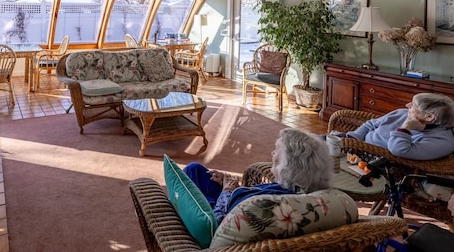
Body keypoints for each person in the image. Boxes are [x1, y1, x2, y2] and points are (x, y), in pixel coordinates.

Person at [183, 127, 333, 223]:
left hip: (218, 213)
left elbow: (218, 222)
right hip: (233, 201)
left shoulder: (261, 204)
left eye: (277, 150)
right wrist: (230, 184)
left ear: (289, 166)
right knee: (194, 170)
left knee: (187, 179)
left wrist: (227, 191)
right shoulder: (296, 190)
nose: (272, 153)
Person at [346, 93, 454, 160]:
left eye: (413, 106)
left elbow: (398, 150)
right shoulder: (402, 113)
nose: (407, 106)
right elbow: (372, 123)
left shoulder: (442, 142)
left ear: (429, 117)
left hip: (378, 162)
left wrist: (405, 128)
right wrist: (355, 137)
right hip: (357, 148)